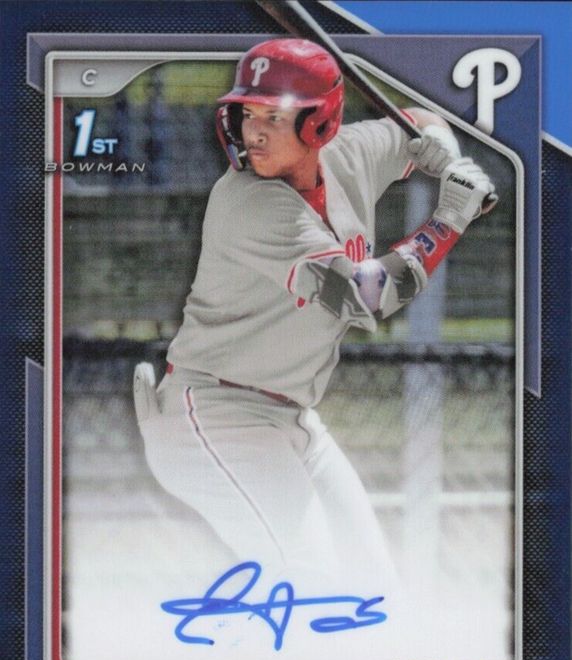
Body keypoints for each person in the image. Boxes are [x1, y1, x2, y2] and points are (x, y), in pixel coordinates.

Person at [134, 38, 495, 591]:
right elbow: (367, 295)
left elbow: (421, 120)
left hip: (291, 418)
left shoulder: (349, 153)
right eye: (247, 114)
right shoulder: (247, 202)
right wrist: (448, 218)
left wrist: (443, 152)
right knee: (309, 583)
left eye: (274, 117)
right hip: (214, 412)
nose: (254, 132)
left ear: (320, 124)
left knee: (374, 589)